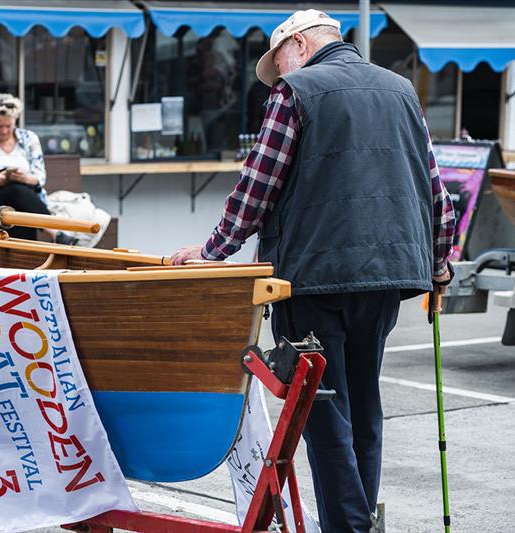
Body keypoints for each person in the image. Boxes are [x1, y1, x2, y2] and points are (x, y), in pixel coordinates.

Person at [171, 10, 455, 533]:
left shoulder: (296, 91)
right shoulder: (401, 91)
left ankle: (348, 527)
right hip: (387, 276)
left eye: (279, 63)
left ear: (297, 44)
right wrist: (439, 268)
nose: (279, 75)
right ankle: (359, 519)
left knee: (325, 413)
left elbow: (258, 188)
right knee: (364, 406)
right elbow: (436, 190)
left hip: (313, 277)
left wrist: (213, 251)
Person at [0, 93, 76, 244]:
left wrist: (24, 178)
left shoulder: (29, 139)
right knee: (16, 191)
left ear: (15, 121)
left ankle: (23, 260)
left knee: (19, 204)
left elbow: (40, 177)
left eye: (8, 126)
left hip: (26, 195)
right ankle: (56, 234)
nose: (4, 131)